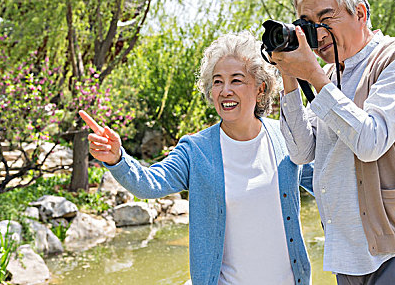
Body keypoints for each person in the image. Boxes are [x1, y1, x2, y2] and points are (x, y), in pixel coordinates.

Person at [79, 31, 313, 285]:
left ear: (261, 88)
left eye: (236, 80)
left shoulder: (284, 137)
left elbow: (327, 182)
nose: (225, 91)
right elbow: (149, 183)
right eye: (217, 82)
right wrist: (117, 159)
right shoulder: (196, 149)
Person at [271, 0, 395, 285]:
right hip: (348, 256)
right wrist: (289, 77)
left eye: (326, 18)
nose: (316, 33)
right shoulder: (328, 75)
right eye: (306, 23)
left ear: (360, 13)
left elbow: (370, 141)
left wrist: (314, 76)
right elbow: (300, 152)